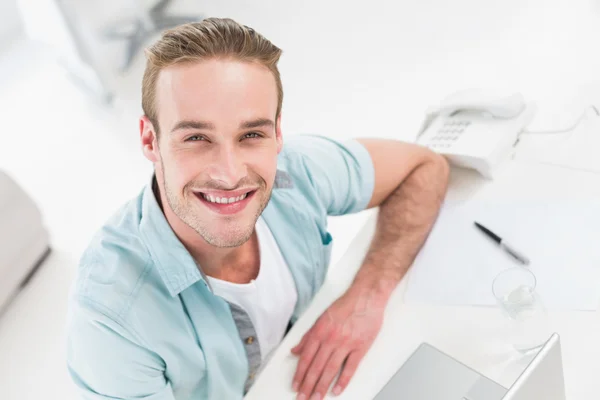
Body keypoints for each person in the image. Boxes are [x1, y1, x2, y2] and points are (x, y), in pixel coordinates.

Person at [65, 17, 449, 400]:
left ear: (277, 134)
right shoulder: (109, 318)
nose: (230, 174)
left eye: (251, 135)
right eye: (196, 137)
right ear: (151, 140)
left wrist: (367, 296)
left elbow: (423, 168)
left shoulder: (297, 172)